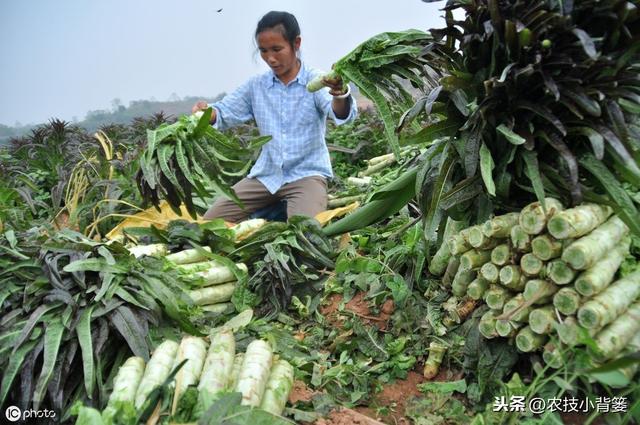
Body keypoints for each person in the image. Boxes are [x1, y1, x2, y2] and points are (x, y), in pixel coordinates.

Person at [192, 10, 357, 223]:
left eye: (277, 49)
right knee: (210, 224)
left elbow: (339, 113)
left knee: (306, 233)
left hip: (306, 175)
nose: (270, 58)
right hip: (265, 177)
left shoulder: (316, 81)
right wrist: (206, 113)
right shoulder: (256, 86)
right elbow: (223, 113)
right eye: (263, 51)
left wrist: (339, 93)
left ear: (296, 44)